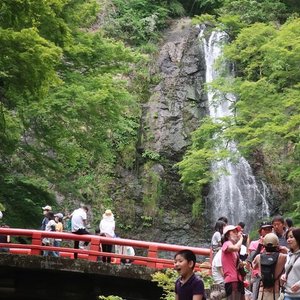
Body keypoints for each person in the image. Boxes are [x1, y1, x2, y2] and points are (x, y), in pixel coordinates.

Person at [252, 233, 286, 300]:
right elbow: (294, 257)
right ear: (277, 245)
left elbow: (253, 266)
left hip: (262, 292)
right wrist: (285, 249)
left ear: (264, 245)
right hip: (276, 292)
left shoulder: (259, 257)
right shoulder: (283, 257)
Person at [247, 221, 274, 300]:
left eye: (269, 229)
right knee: (256, 296)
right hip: (257, 276)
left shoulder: (275, 243)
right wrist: (260, 245)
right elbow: (252, 259)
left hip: (272, 275)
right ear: (260, 231)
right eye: (265, 229)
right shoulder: (254, 243)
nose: (268, 231)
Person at [221, 225, 245, 300]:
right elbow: (236, 248)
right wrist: (241, 239)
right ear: (227, 235)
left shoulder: (235, 252)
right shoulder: (226, 243)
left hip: (238, 280)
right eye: (233, 232)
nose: (236, 234)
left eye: (236, 232)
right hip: (232, 280)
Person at [281, 227, 300, 300]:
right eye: (287, 238)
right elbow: (291, 270)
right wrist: (284, 275)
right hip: (288, 294)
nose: (288, 240)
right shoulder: (289, 255)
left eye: (291, 237)